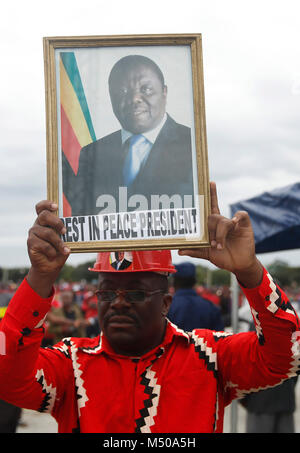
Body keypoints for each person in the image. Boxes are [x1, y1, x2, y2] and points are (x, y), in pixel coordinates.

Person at [0, 182, 299, 433]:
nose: (117, 302)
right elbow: (7, 378)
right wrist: (39, 279)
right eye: (106, 293)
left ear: (165, 302)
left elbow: (287, 356)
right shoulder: (70, 364)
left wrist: (250, 273)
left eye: (135, 293)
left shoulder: (211, 357)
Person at [62, 54, 194, 216]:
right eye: (122, 91)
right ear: (111, 97)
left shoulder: (192, 144)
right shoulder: (92, 154)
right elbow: (83, 224)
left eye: (146, 89)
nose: (134, 98)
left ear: (164, 92)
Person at [167, 262, 224, 331]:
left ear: (174, 282)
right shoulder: (211, 307)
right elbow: (219, 338)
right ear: (194, 281)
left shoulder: (167, 307)